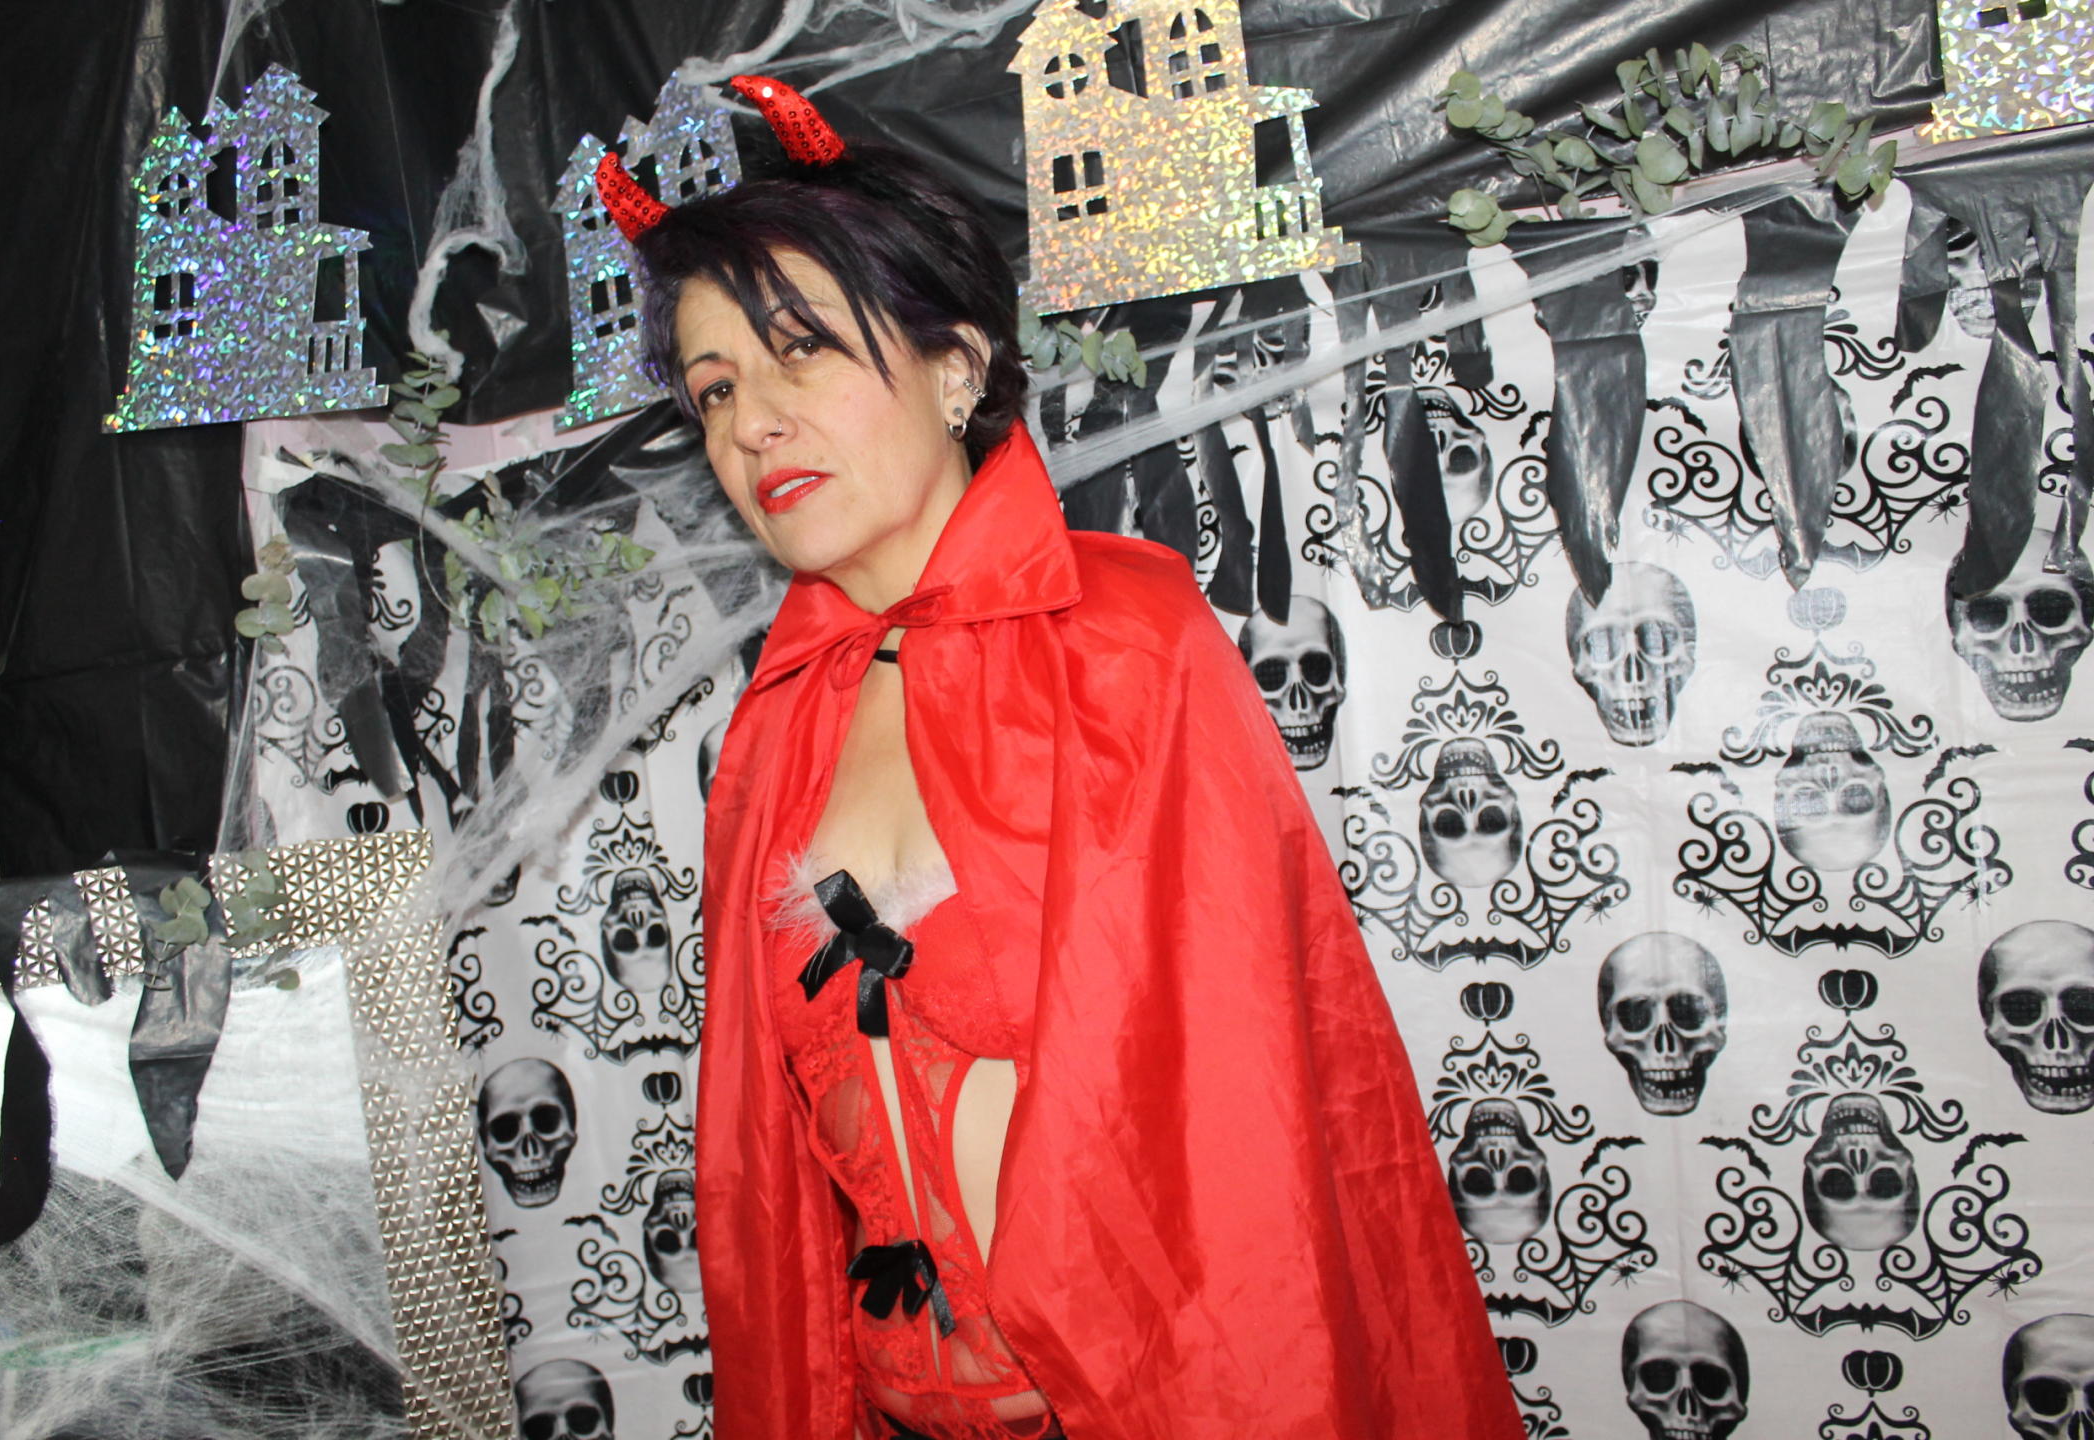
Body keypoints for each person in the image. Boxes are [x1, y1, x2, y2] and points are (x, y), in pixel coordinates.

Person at [610, 77, 1521, 1440]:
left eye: (803, 350)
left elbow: (1246, 1133)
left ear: (956, 367)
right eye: (716, 388)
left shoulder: (1127, 643)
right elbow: (772, 1187)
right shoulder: (779, 727)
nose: (751, 423)